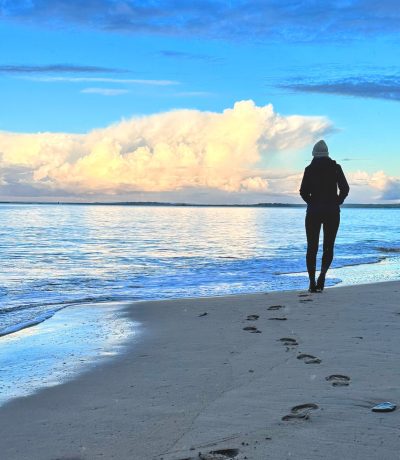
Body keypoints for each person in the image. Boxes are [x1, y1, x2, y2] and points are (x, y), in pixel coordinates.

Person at [299, 140, 349, 292]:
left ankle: (312, 283)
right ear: (327, 153)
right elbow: (345, 189)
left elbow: (302, 192)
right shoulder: (336, 168)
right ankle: (322, 276)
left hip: (313, 212)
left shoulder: (309, 169)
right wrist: (337, 202)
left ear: (314, 154)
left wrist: (311, 202)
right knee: (328, 247)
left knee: (312, 248)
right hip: (332, 212)